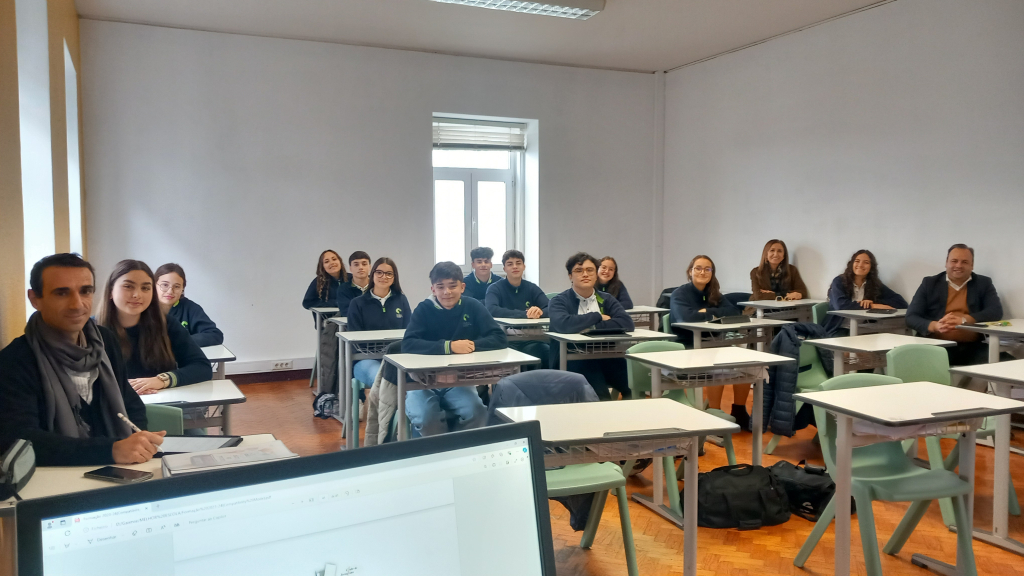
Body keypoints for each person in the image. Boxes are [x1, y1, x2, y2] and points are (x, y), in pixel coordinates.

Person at [0, 254, 164, 466]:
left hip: (117, 468)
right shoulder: (15, 360)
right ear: (34, 299)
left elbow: (129, 403)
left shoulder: (106, 341)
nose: (77, 304)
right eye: (61, 293)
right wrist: (110, 450)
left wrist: (138, 440)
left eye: (85, 291)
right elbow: (21, 440)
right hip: (56, 480)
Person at [402, 261, 508, 436]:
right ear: (433, 289)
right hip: (422, 381)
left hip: (459, 380)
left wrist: (471, 345)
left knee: (478, 412)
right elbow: (408, 343)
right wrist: (449, 346)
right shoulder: (424, 309)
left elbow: (499, 338)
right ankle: (441, 455)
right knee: (427, 417)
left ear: (463, 287)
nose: (447, 292)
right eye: (440, 287)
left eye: (452, 286)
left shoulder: (472, 306)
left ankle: (460, 449)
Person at [99, 260, 212, 394]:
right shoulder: (91, 329)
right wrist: (125, 388)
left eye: (146, 288)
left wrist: (161, 380)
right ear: (111, 291)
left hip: (162, 404)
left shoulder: (166, 324)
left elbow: (202, 367)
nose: (137, 295)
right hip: (114, 407)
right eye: (128, 286)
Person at [670, 255, 751, 427]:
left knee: (747, 363)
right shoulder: (679, 294)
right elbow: (686, 318)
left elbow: (734, 313)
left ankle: (739, 409)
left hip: (713, 343)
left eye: (708, 269)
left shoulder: (713, 293)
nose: (702, 272)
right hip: (687, 346)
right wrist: (714, 314)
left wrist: (707, 311)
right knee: (716, 365)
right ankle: (714, 411)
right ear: (690, 271)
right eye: (698, 268)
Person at [549, 252, 635, 400]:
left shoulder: (607, 299)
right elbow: (564, 324)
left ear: (596, 275)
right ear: (570, 276)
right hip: (573, 358)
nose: (585, 274)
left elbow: (627, 323)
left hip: (607, 356)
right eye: (578, 270)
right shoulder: (559, 301)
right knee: (601, 395)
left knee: (634, 387)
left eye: (590, 270)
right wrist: (597, 316)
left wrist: (590, 327)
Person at [906, 244, 1003, 367]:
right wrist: (935, 326)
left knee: (1009, 365)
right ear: (946, 263)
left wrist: (964, 320)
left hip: (973, 347)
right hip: (937, 345)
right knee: (929, 370)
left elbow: (995, 311)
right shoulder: (929, 283)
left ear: (972, 265)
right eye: (954, 261)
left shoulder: (983, 283)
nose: (958, 265)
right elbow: (911, 317)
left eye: (965, 262)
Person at [347, 257, 411, 387]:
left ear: (394, 277)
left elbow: (409, 331)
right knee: (383, 379)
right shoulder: (357, 303)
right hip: (365, 359)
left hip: (396, 357)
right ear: (373, 275)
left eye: (389, 273)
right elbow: (355, 338)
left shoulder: (401, 300)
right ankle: (389, 408)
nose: (384, 277)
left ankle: (398, 408)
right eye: (379, 272)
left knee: (412, 377)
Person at [485, 250, 551, 368]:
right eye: (510, 264)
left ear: (524, 266)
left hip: (533, 339)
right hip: (506, 341)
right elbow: (491, 309)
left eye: (518, 263)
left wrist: (540, 312)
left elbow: (551, 307)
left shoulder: (532, 288)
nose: (515, 267)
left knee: (546, 353)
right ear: (504, 268)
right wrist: (524, 314)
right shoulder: (495, 288)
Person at [823, 250, 908, 335]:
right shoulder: (839, 281)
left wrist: (875, 303)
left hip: (865, 329)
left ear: (871, 267)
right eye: (857, 261)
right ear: (851, 264)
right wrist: (871, 306)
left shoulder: (874, 284)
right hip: (839, 329)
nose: (860, 265)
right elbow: (841, 305)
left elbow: (901, 303)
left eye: (866, 262)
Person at [301, 250, 347, 396]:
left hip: (348, 326)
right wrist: (332, 304)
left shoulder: (350, 280)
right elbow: (307, 302)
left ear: (340, 261)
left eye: (334, 259)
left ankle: (347, 387)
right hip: (327, 327)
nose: (331, 263)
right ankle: (333, 389)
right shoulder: (319, 281)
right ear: (322, 266)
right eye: (326, 261)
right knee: (336, 352)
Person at [155, 263, 225, 347]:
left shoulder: (191, 308)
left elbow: (215, 335)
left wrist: (181, 341)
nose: (170, 291)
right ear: (154, 285)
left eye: (176, 286)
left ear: (182, 289)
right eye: (165, 285)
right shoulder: (144, 307)